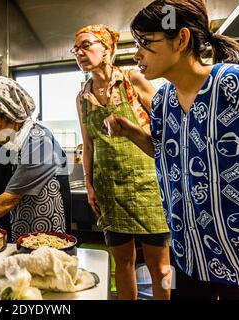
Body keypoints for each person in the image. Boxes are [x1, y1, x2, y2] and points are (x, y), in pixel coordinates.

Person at [105, 0, 239, 300]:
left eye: (146, 42)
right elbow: (165, 153)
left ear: (181, 40)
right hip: (189, 251)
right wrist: (130, 131)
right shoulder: (162, 100)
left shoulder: (234, 84)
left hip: (238, 254)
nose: (136, 53)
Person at [72, 24, 171, 300]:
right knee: (123, 263)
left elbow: (167, 127)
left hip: (147, 187)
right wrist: (90, 185)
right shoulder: (82, 99)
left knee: (160, 266)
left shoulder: (132, 81)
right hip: (110, 191)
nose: (79, 52)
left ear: (106, 48)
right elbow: (88, 146)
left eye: (85, 45)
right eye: (75, 48)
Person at [0, 76, 71, 242]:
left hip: (46, 228)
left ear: (12, 117)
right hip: (17, 227)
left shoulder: (39, 142)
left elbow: (8, 201)